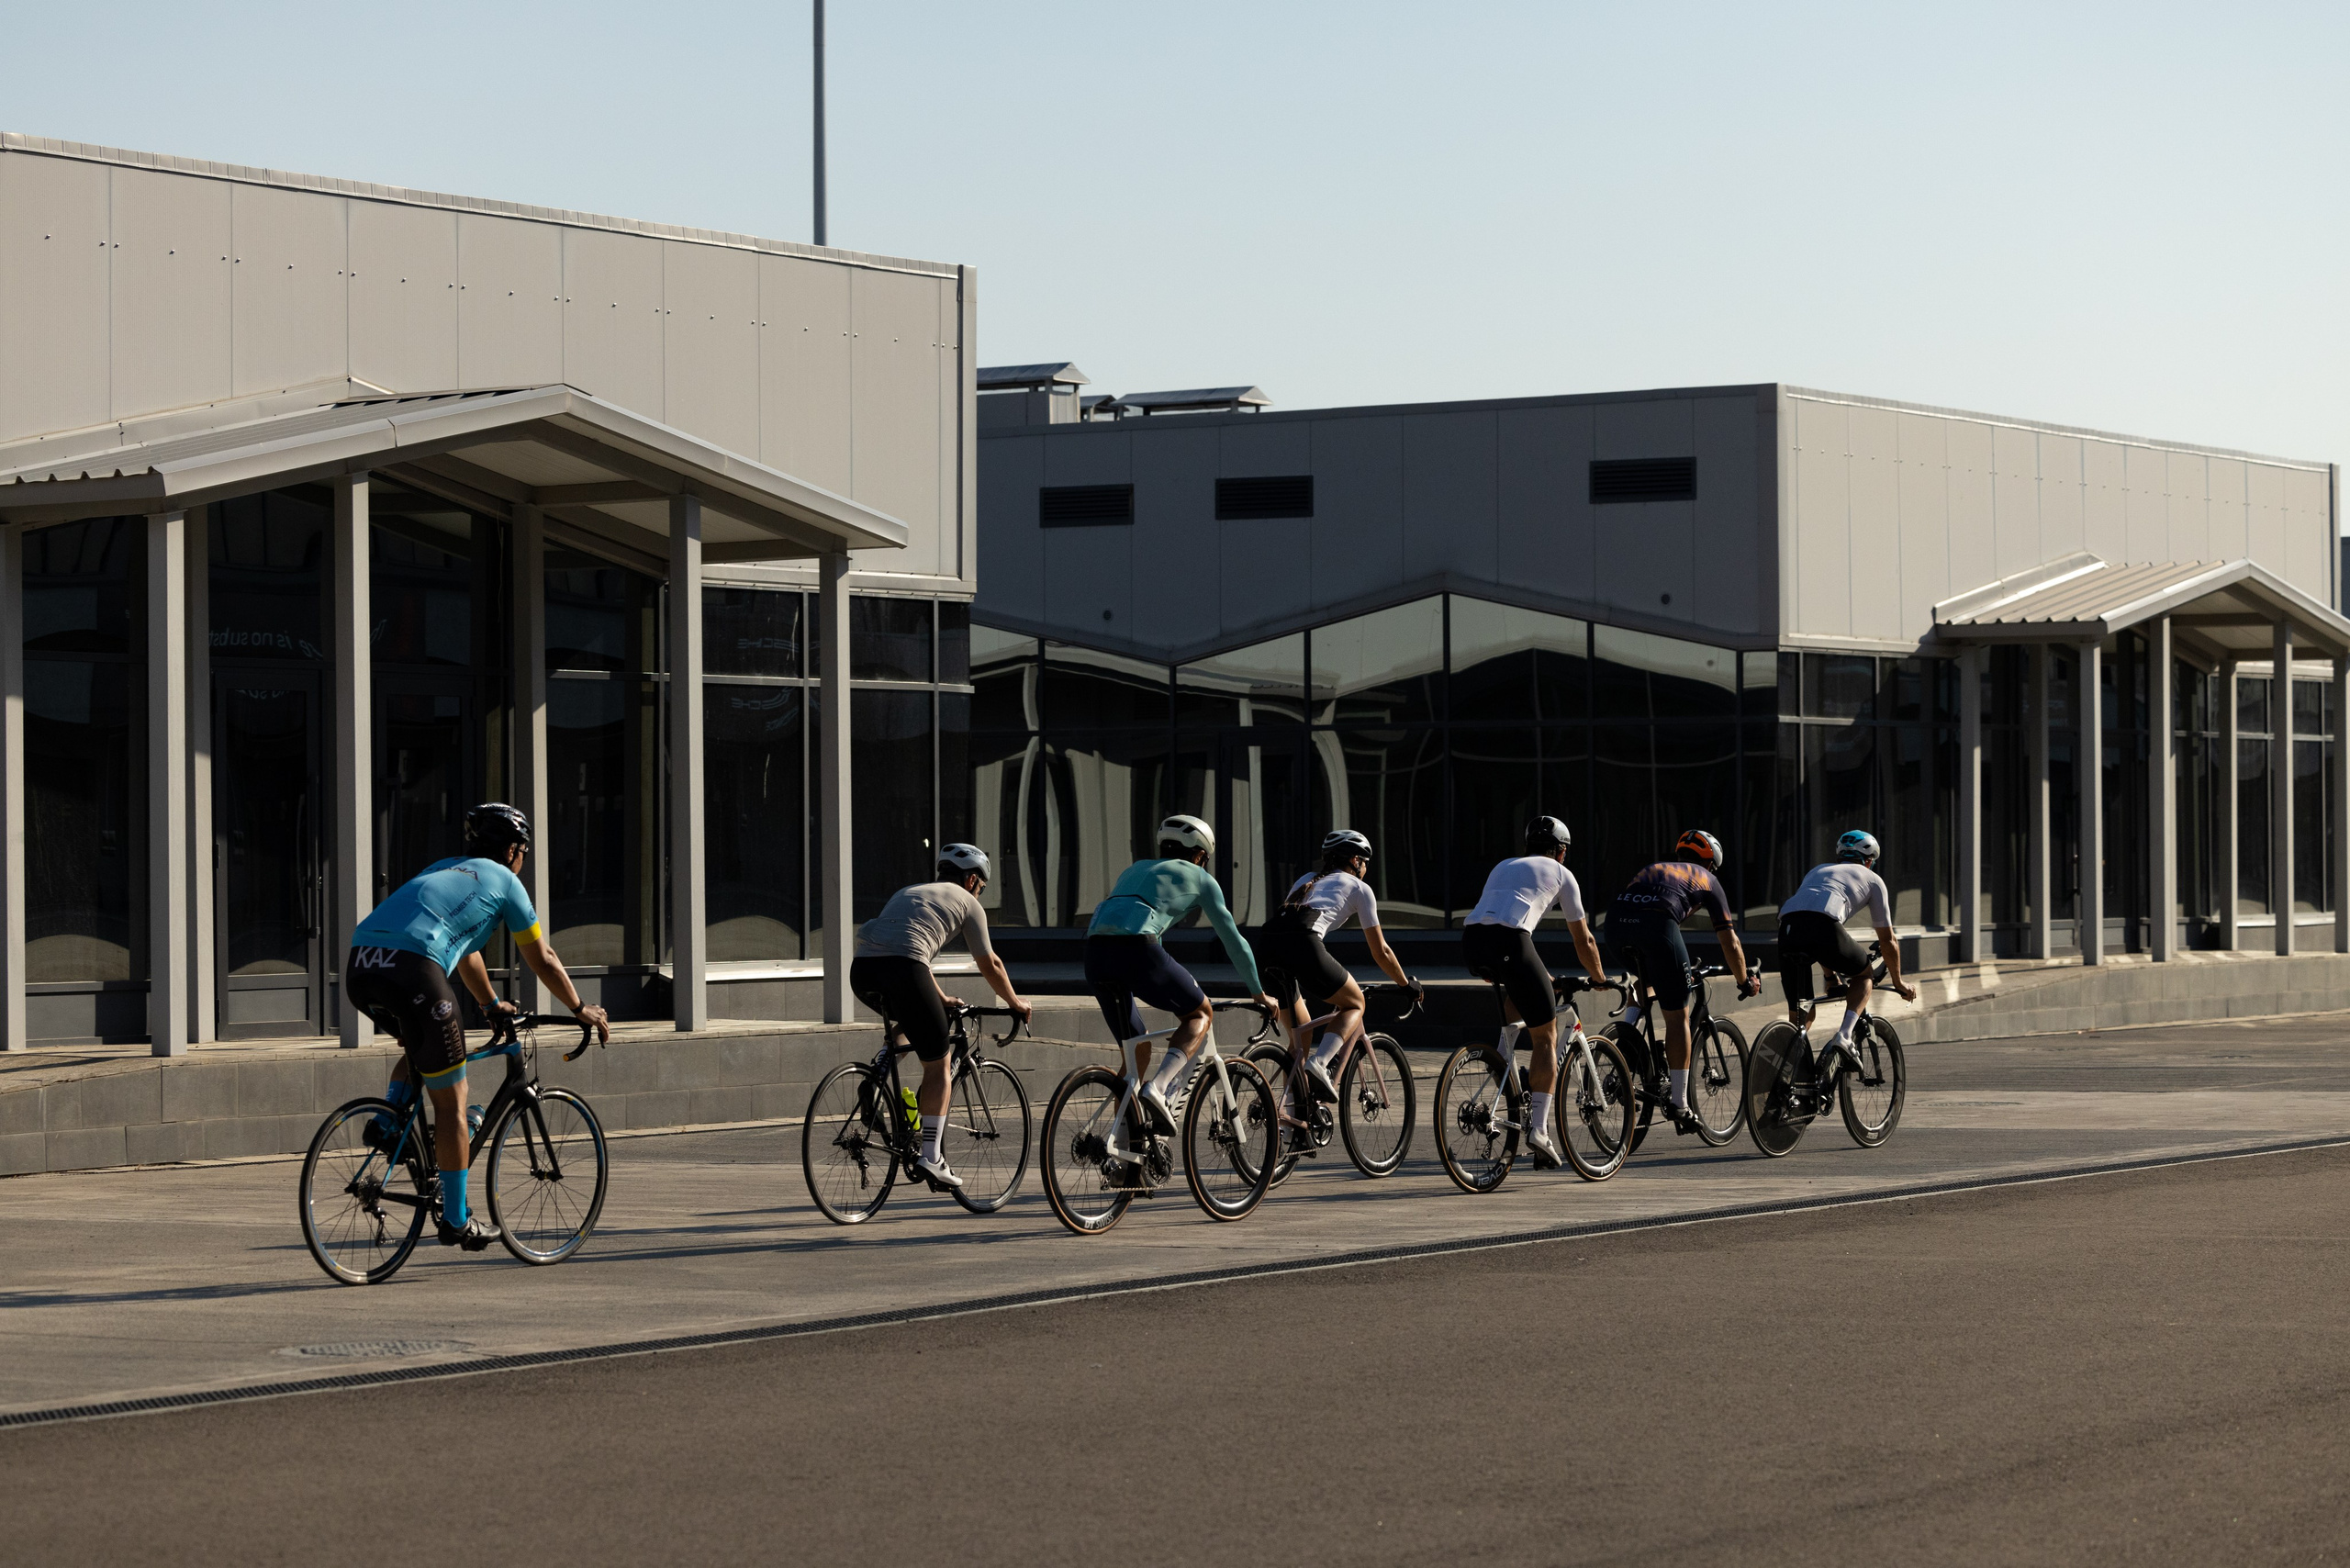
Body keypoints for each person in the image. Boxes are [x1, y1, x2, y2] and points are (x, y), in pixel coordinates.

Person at [345, 803, 610, 1251]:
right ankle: (455, 1220)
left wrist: (489, 1004)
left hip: (362, 964)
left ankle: (389, 1121)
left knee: (420, 1049)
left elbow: (466, 950)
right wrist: (580, 1007)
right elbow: (542, 958)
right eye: (523, 851)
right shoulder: (506, 882)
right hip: (413, 969)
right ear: (513, 850)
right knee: (453, 1101)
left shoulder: (445, 868)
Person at [850, 844, 1035, 1189]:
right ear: (972, 879)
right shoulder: (968, 902)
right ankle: (932, 1158)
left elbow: (911, 950)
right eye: (981, 887)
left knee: (910, 1021)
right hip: (904, 969)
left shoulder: (909, 892)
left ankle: (876, 1079)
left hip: (862, 970)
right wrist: (1015, 1002)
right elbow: (990, 963)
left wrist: (941, 998)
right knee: (938, 1063)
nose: (979, 893)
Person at [1084, 814, 1281, 1134]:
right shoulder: (1201, 878)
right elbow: (1233, 940)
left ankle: (1121, 1149)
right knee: (1199, 1013)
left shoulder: (1134, 869)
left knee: (1137, 1054)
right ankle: (1160, 1088)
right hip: (1137, 950)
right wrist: (1258, 992)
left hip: (1094, 954)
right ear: (1201, 855)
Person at [1458, 815, 1613, 1170]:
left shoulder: (1504, 865)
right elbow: (1584, 938)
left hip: (1473, 943)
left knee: (1515, 1013)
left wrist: (1542, 976)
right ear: (1561, 851)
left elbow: (1503, 921)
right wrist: (1600, 977)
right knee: (1546, 1037)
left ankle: (1504, 1081)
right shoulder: (1562, 874)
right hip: (1510, 942)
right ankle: (1540, 1131)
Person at [1255, 829, 1418, 1123]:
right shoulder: (1358, 887)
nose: (1365, 869)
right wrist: (1405, 984)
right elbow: (1380, 951)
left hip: (1265, 947)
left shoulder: (1306, 879)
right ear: (1356, 861)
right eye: (1365, 863)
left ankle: (1289, 1123)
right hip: (1302, 945)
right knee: (1354, 1003)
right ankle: (1321, 1063)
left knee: (1300, 1036)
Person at [1605, 829, 1762, 1133]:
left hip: (1615, 927)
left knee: (1645, 981)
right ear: (1711, 863)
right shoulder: (1708, 880)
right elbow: (1729, 941)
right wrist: (1744, 980)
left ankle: (1625, 1040)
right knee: (1678, 1016)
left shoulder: (1654, 868)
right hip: (1656, 928)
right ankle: (1680, 1103)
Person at [1778, 830, 1919, 1049]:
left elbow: (1810, 922)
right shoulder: (1873, 880)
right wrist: (1898, 982)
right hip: (1824, 926)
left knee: (1801, 1015)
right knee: (1864, 975)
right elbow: (1888, 940)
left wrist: (1830, 976)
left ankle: (1786, 1068)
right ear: (1869, 860)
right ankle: (1844, 1035)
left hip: (1787, 929)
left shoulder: (1817, 871)